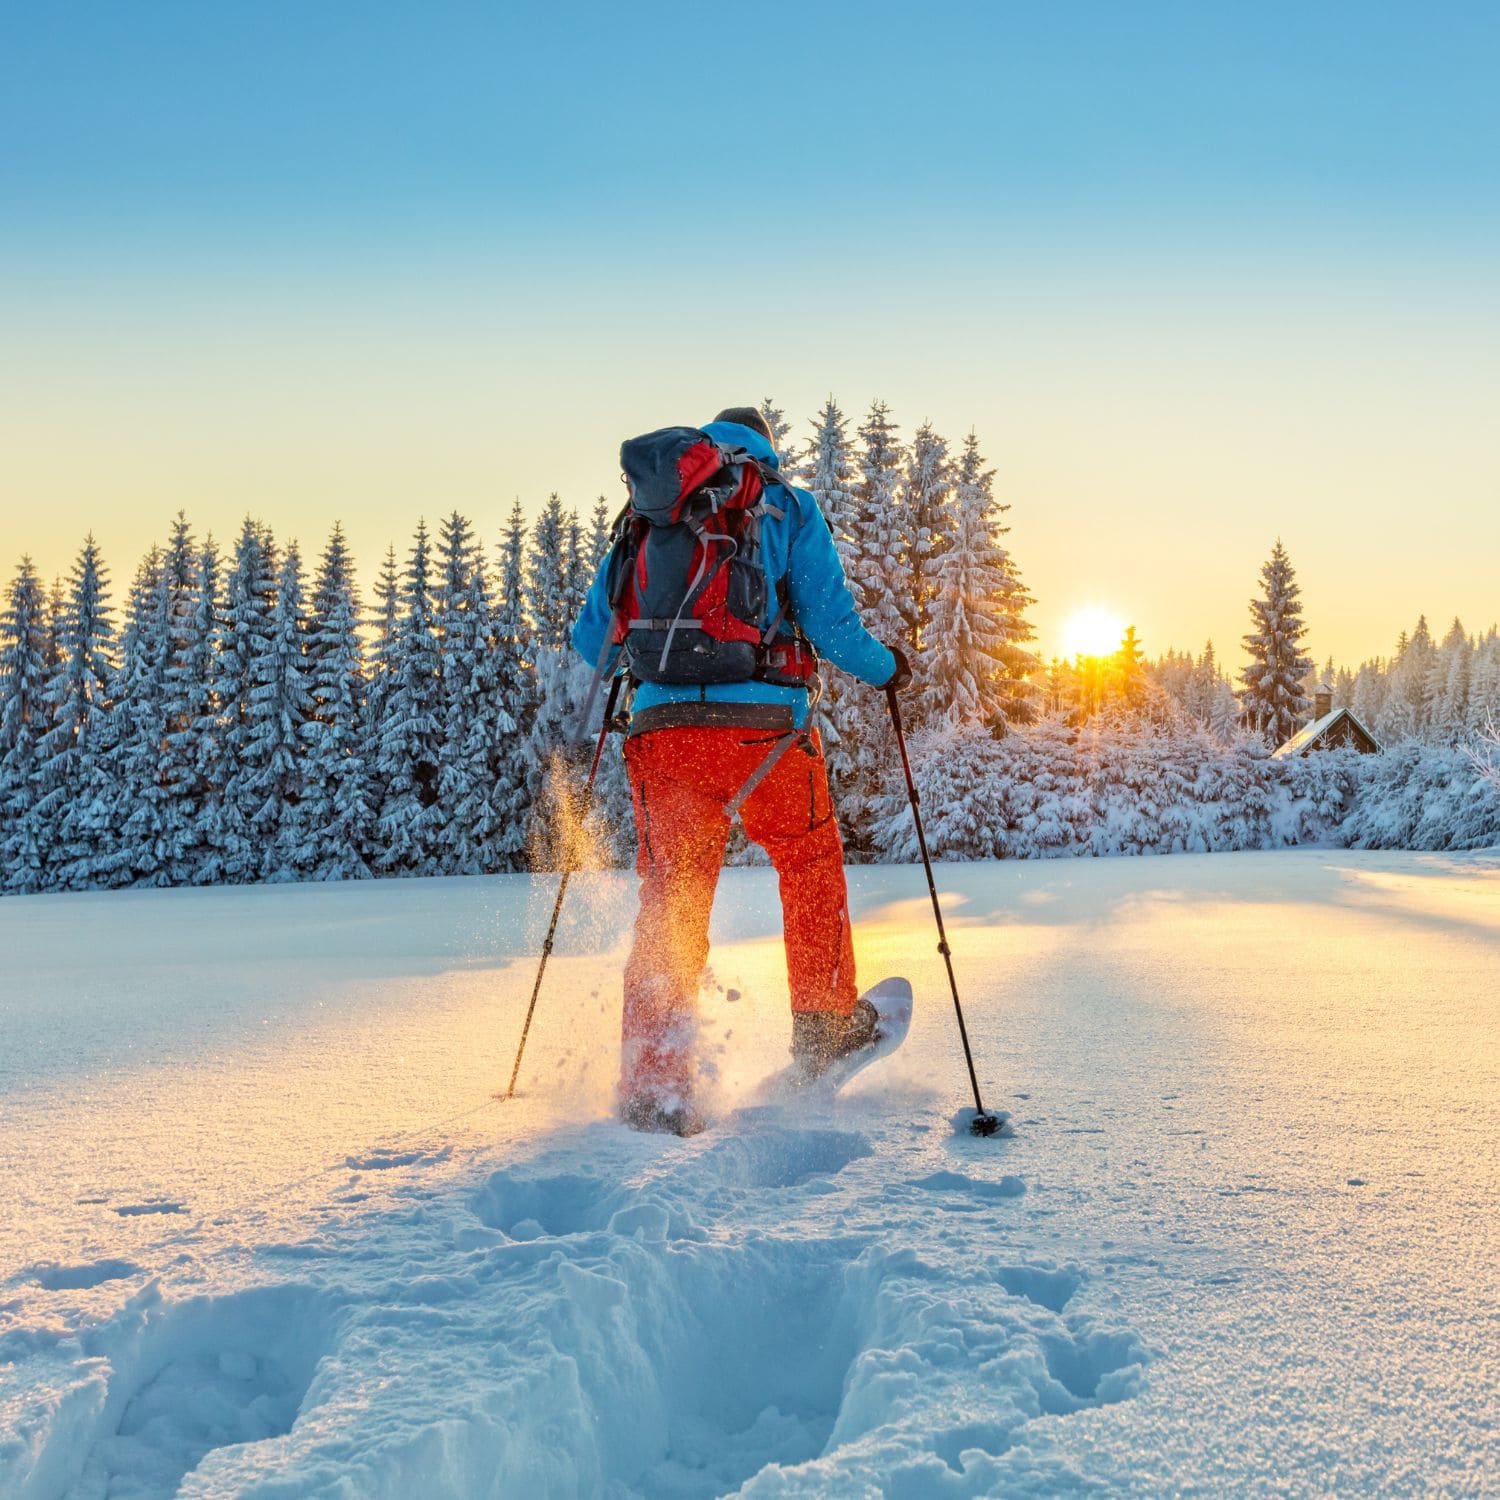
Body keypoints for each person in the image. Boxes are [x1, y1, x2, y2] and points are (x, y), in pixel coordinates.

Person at [572, 407, 910, 1135]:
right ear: (766, 450)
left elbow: (591, 639)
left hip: (663, 738)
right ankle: (823, 1026)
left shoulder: (648, 514)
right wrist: (888, 671)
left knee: (672, 897)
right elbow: (831, 627)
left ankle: (654, 1085)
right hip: (768, 736)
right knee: (808, 860)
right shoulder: (783, 503)